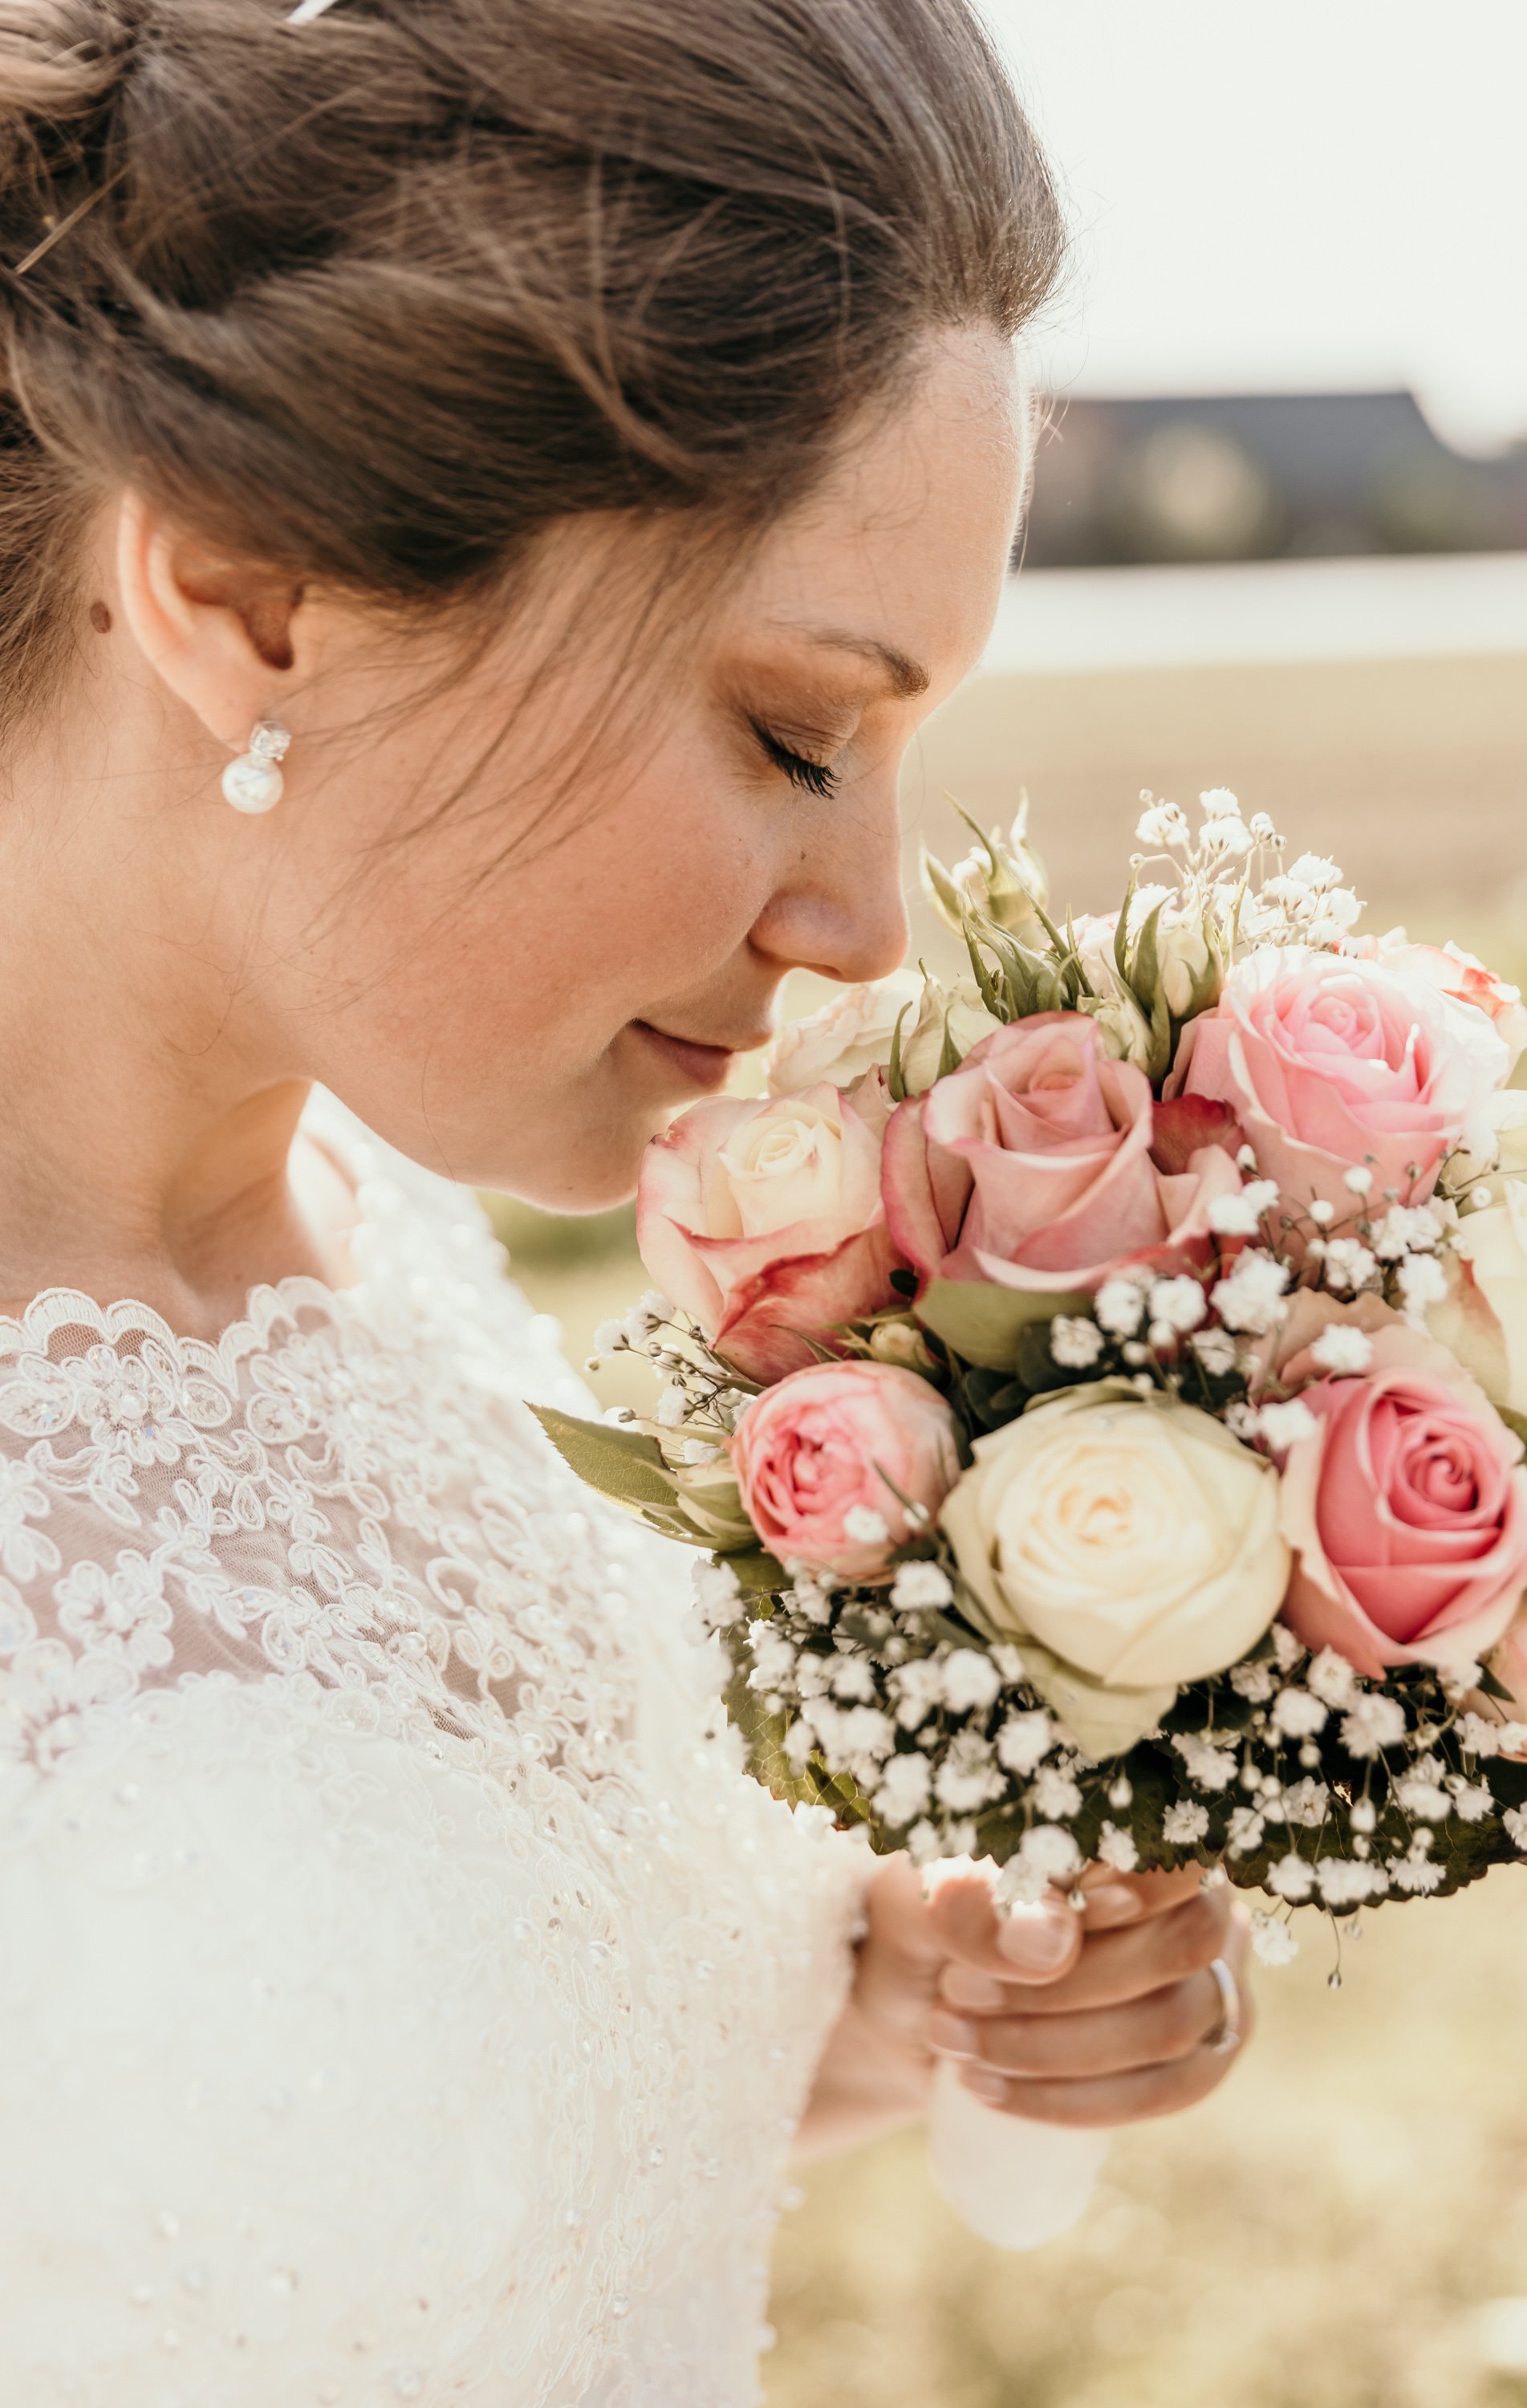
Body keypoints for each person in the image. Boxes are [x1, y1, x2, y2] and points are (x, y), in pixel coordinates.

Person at [0, 0, 1252, 2398]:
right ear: (255, 597)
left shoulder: (391, 1250)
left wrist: (845, 2019)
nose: (869, 925)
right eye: (794, 728)